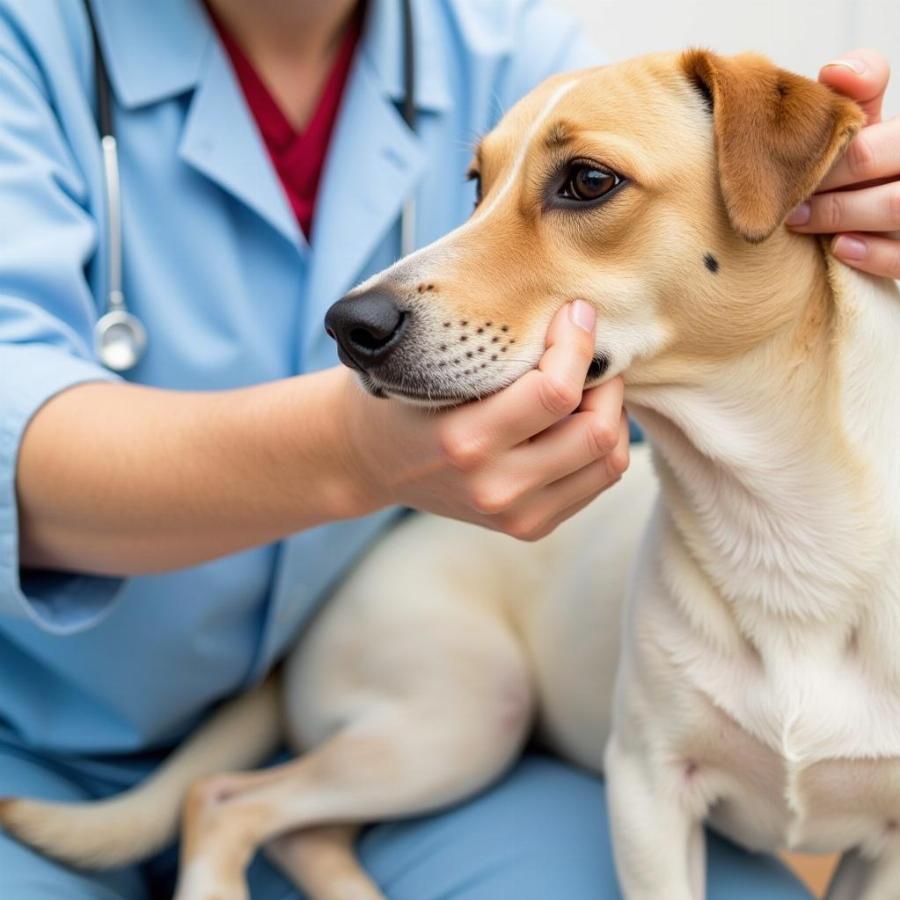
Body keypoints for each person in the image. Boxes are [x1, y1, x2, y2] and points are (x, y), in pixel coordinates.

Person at [0, 0, 897, 896]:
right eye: (480, 186)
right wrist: (353, 451)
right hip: (42, 744)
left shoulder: (510, 51)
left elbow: (700, 333)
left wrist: (850, 234)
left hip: (423, 746)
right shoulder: (30, 39)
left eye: (583, 185)